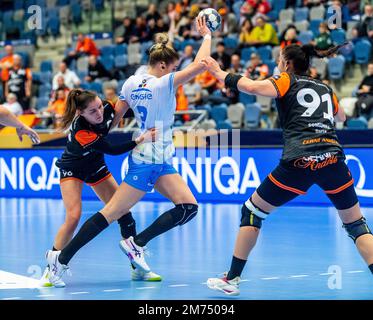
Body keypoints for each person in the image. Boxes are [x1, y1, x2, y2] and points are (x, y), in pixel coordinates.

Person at [45, 17, 212, 286]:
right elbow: (201, 64)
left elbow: (112, 120)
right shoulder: (162, 84)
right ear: (162, 65)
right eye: (173, 67)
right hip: (146, 160)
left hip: (161, 159)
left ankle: (137, 245)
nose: (175, 71)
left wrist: (91, 139)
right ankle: (59, 261)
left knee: (188, 207)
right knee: (110, 213)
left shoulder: (132, 83)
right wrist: (206, 37)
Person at [202, 43, 373, 296]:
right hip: (332, 159)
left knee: (252, 211)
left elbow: (251, 87)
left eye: (281, 60)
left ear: (288, 63)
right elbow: (341, 118)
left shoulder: (285, 80)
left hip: (300, 160)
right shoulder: (325, 87)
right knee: (356, 225)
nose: (279, 63)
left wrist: (219, 73)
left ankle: (232, 279)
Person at [39, 89, 159, 287]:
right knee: (73, 216)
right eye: (93, 111)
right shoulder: (81, 131)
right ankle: (51, 267)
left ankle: (137, 268)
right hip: (73, 168)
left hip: (96, 166)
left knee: (124, 212)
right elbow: (112, 150)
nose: (99, 113)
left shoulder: (105, 108)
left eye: (99, 107)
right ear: (80, 113)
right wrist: (140, 139)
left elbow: (128, 108)